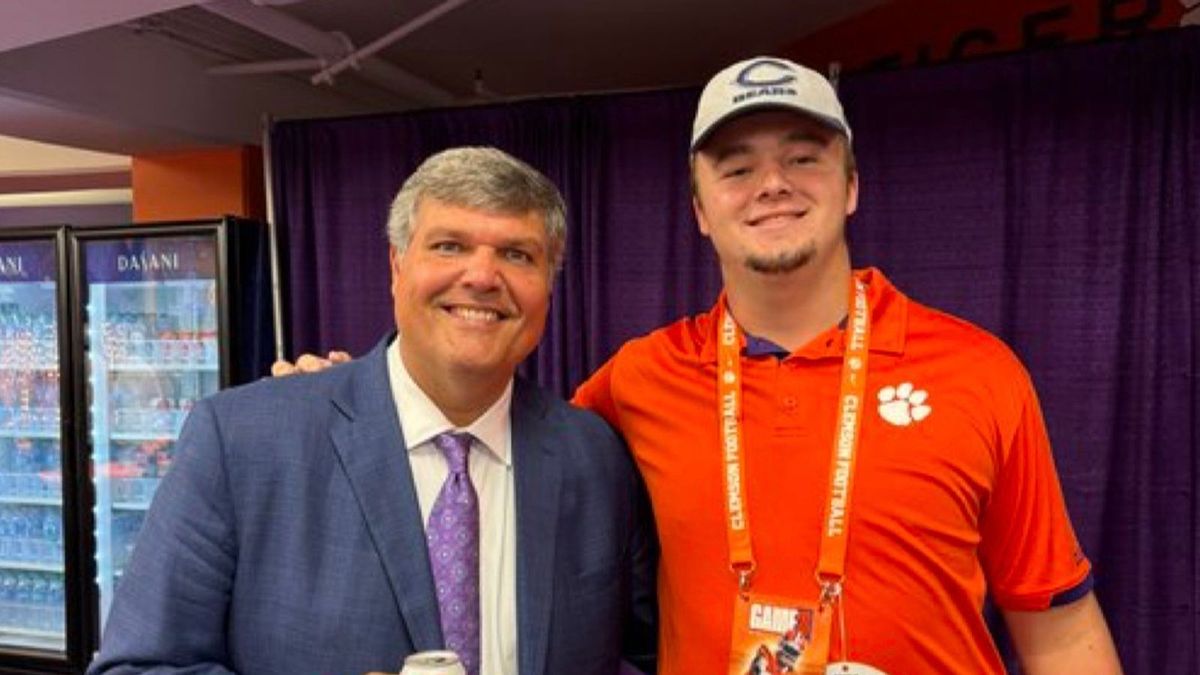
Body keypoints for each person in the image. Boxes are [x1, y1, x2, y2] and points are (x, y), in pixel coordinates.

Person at [276, 57, 1124, 674]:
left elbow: (1058, 623)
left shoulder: (980, 370)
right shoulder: (639, 379)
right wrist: (364, 399)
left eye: (803, 155)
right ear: (699, 207)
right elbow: (489, 438)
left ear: (853, 183)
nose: (772, 184)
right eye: (737, 164)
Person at [87, 147, 656, 675]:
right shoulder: (242, 442)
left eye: (517, 254)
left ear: (548, 289)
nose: (483, 277)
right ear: (395, 267)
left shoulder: (596, 457)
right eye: (449, 246)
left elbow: (636, 657)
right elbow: (138, 666)